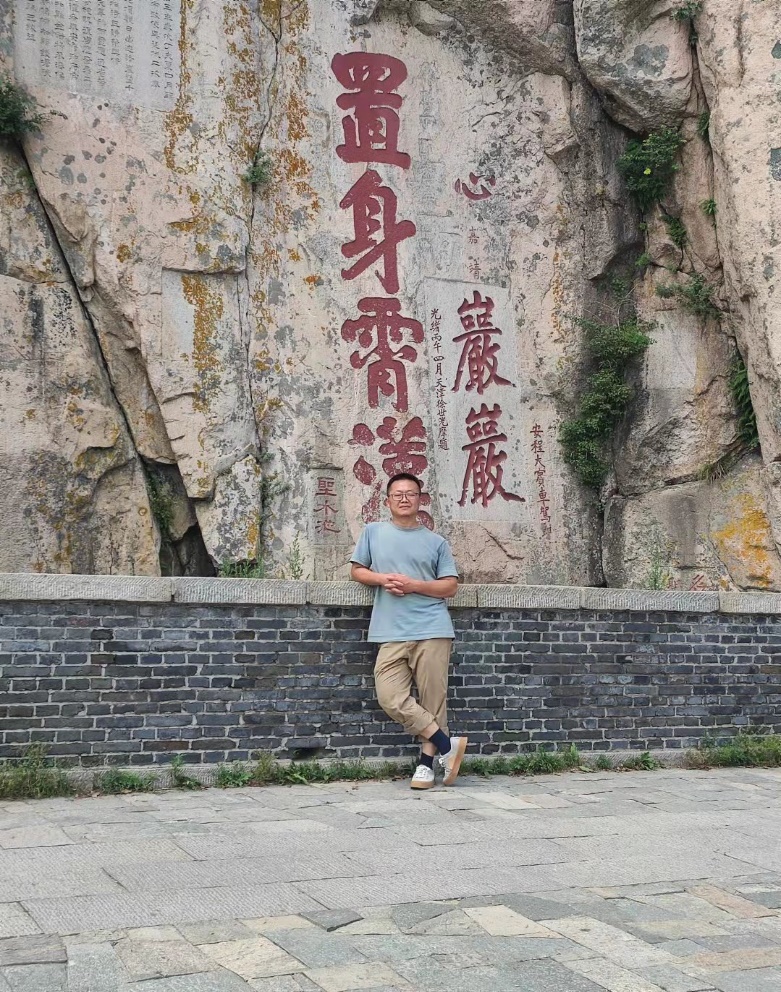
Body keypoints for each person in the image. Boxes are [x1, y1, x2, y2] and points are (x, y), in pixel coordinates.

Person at [350, 472, 467, 789]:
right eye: (398, 494)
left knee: (433, 700)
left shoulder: (436, 542)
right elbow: (358, 570)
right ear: (387, 500)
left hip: (432, 627)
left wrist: (414, 585)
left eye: (410, 493)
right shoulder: (373, 532)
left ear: (420, 499)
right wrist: (383, 579)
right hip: (390, 631)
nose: (404, 498)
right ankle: (447, 746)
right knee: (390, 697)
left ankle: (426, 766)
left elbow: (450, 586)